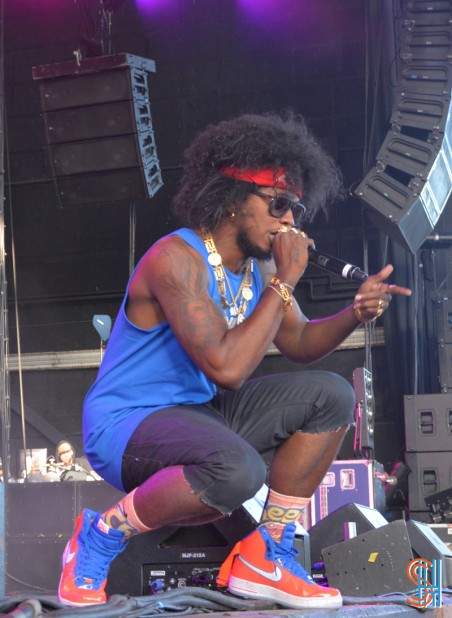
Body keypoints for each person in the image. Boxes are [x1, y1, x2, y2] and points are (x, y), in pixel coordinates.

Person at [58, 111, 412, 609]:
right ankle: (99, 536)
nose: (289, 221)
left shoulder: (258, 269)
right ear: (231, 199)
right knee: (237, 470)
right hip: (127, 422)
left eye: (296, 209)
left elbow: (299, 342)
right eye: (278, 204)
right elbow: (226, 369)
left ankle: (266, 552)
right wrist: (284, 281)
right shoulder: (175, 259)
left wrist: (354, 313)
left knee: (332, 396)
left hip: (198, 416)